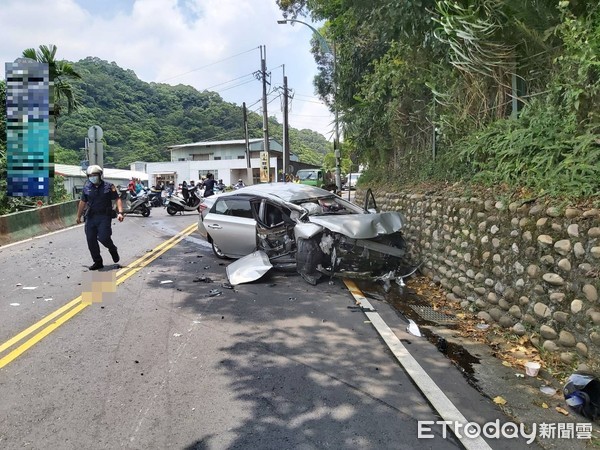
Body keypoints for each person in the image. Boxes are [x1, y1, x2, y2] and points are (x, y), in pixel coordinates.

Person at [76, 165, 124, 270]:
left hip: (104, 216)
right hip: (91, 217)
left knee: (104, 237)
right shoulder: (87, 187)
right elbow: (82, 202)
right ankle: (97, 262)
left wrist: (120, 212)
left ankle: (112, 248)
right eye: (90, 176)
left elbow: (117, 199)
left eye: (95, 175)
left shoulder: (109, 186)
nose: (92, 177)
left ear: (100, 175)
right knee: (91, 240)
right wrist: (78, 216)